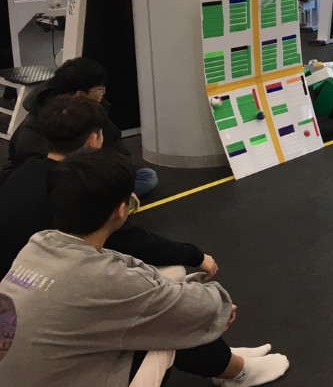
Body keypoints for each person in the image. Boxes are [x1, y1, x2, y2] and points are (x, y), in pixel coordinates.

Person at [0, 150, 290, 387]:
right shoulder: (101, 280)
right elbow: (199, 307)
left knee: (166, 295)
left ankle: (224, 359)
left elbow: (122, 266)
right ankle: (237, 373)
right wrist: (219, 307)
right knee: (172, 322)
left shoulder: (39, 243)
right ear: (121, 210)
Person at [0, 94, 216, 278]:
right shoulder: (82, 187)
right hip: (33, 284)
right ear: (93, 139)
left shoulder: (25, 170)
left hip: (15, 274)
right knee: (174, 272)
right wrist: (196, 256)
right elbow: (133, 242)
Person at [1, 56, 159, 198]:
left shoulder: (91, 108)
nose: (103, 92)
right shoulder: (38, 128)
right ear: (80, 94)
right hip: (54, 181)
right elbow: (43, 173)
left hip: (86, 168)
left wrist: (116, 174)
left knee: (146, 176)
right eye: (99, 88)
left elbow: (115, 146)